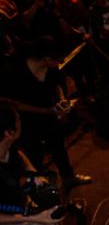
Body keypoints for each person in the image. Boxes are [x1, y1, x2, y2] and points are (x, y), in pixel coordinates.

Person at [0, 38, 92, 189]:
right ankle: (40, 189)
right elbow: (16, 104)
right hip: (26, 119)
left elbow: (56, 85)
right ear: (47, 58)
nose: (61, 62)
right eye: (58, 59)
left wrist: (62, 99)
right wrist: (46, 111)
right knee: (34, 153)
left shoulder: (51, 68)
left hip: (48, 112)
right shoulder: (16, 71)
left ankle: (68, 177)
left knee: (58, 145)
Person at [0, 102, 65, 225]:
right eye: (18, 119)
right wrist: (35, 217)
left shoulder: (8, 144)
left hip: (20, 205)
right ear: (9, 132)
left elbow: (19, 156)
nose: (20, 121)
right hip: (3, 223)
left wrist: (36, 177)